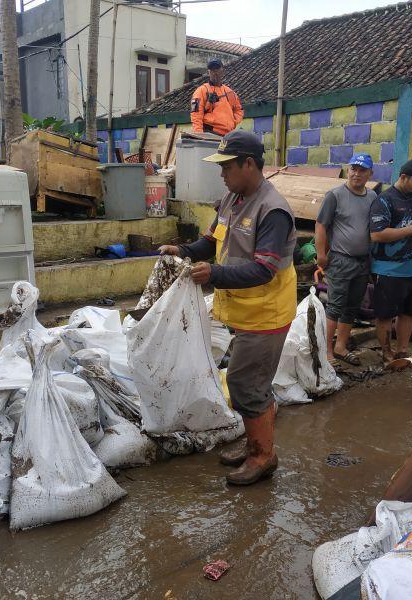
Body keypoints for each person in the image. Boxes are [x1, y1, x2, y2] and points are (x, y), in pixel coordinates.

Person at [158, 131, 296, 486]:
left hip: (267, 313)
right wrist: (184, 251)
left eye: (227, 167)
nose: (222, 174)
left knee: (245, 383)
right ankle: (254, 444)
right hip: (244, 312)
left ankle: (263, 455)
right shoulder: (231, 199)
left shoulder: (273, 210)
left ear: (248, 164)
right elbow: (211, 241)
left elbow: (265, 268)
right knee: (247, 381)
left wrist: (214, 274)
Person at [314, 153, 375, 364]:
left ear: (370, 174)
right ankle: (327, 351)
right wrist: (321, 254)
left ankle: (340, 347)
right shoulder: (335, 195)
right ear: (348, 170)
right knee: (335, 305)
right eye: (353, 169)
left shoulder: (372, 197)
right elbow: (321, 225)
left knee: (352, 306)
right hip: (340, 259)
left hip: (362, 261)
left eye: (362, 170)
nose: (356, 173)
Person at [370, 159, 412, 361]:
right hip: (388, 269)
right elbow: (377, 234)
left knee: (408, 313)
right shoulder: (384, 200)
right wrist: (411, 230)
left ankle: (402, 351)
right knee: (385, 315)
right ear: (403, 177)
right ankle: (386, 351)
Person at [190, 59, 243, 136]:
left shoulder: (230, 92)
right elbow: (196, 114)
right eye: (212, 69)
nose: (215, 72)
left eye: (217, 68)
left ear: (222, 71)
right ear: (209, 72)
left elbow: (239, 110)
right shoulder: (201, 91)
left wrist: (233, 122)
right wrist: (199, 135)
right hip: (210, 133)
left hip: (228, 135)